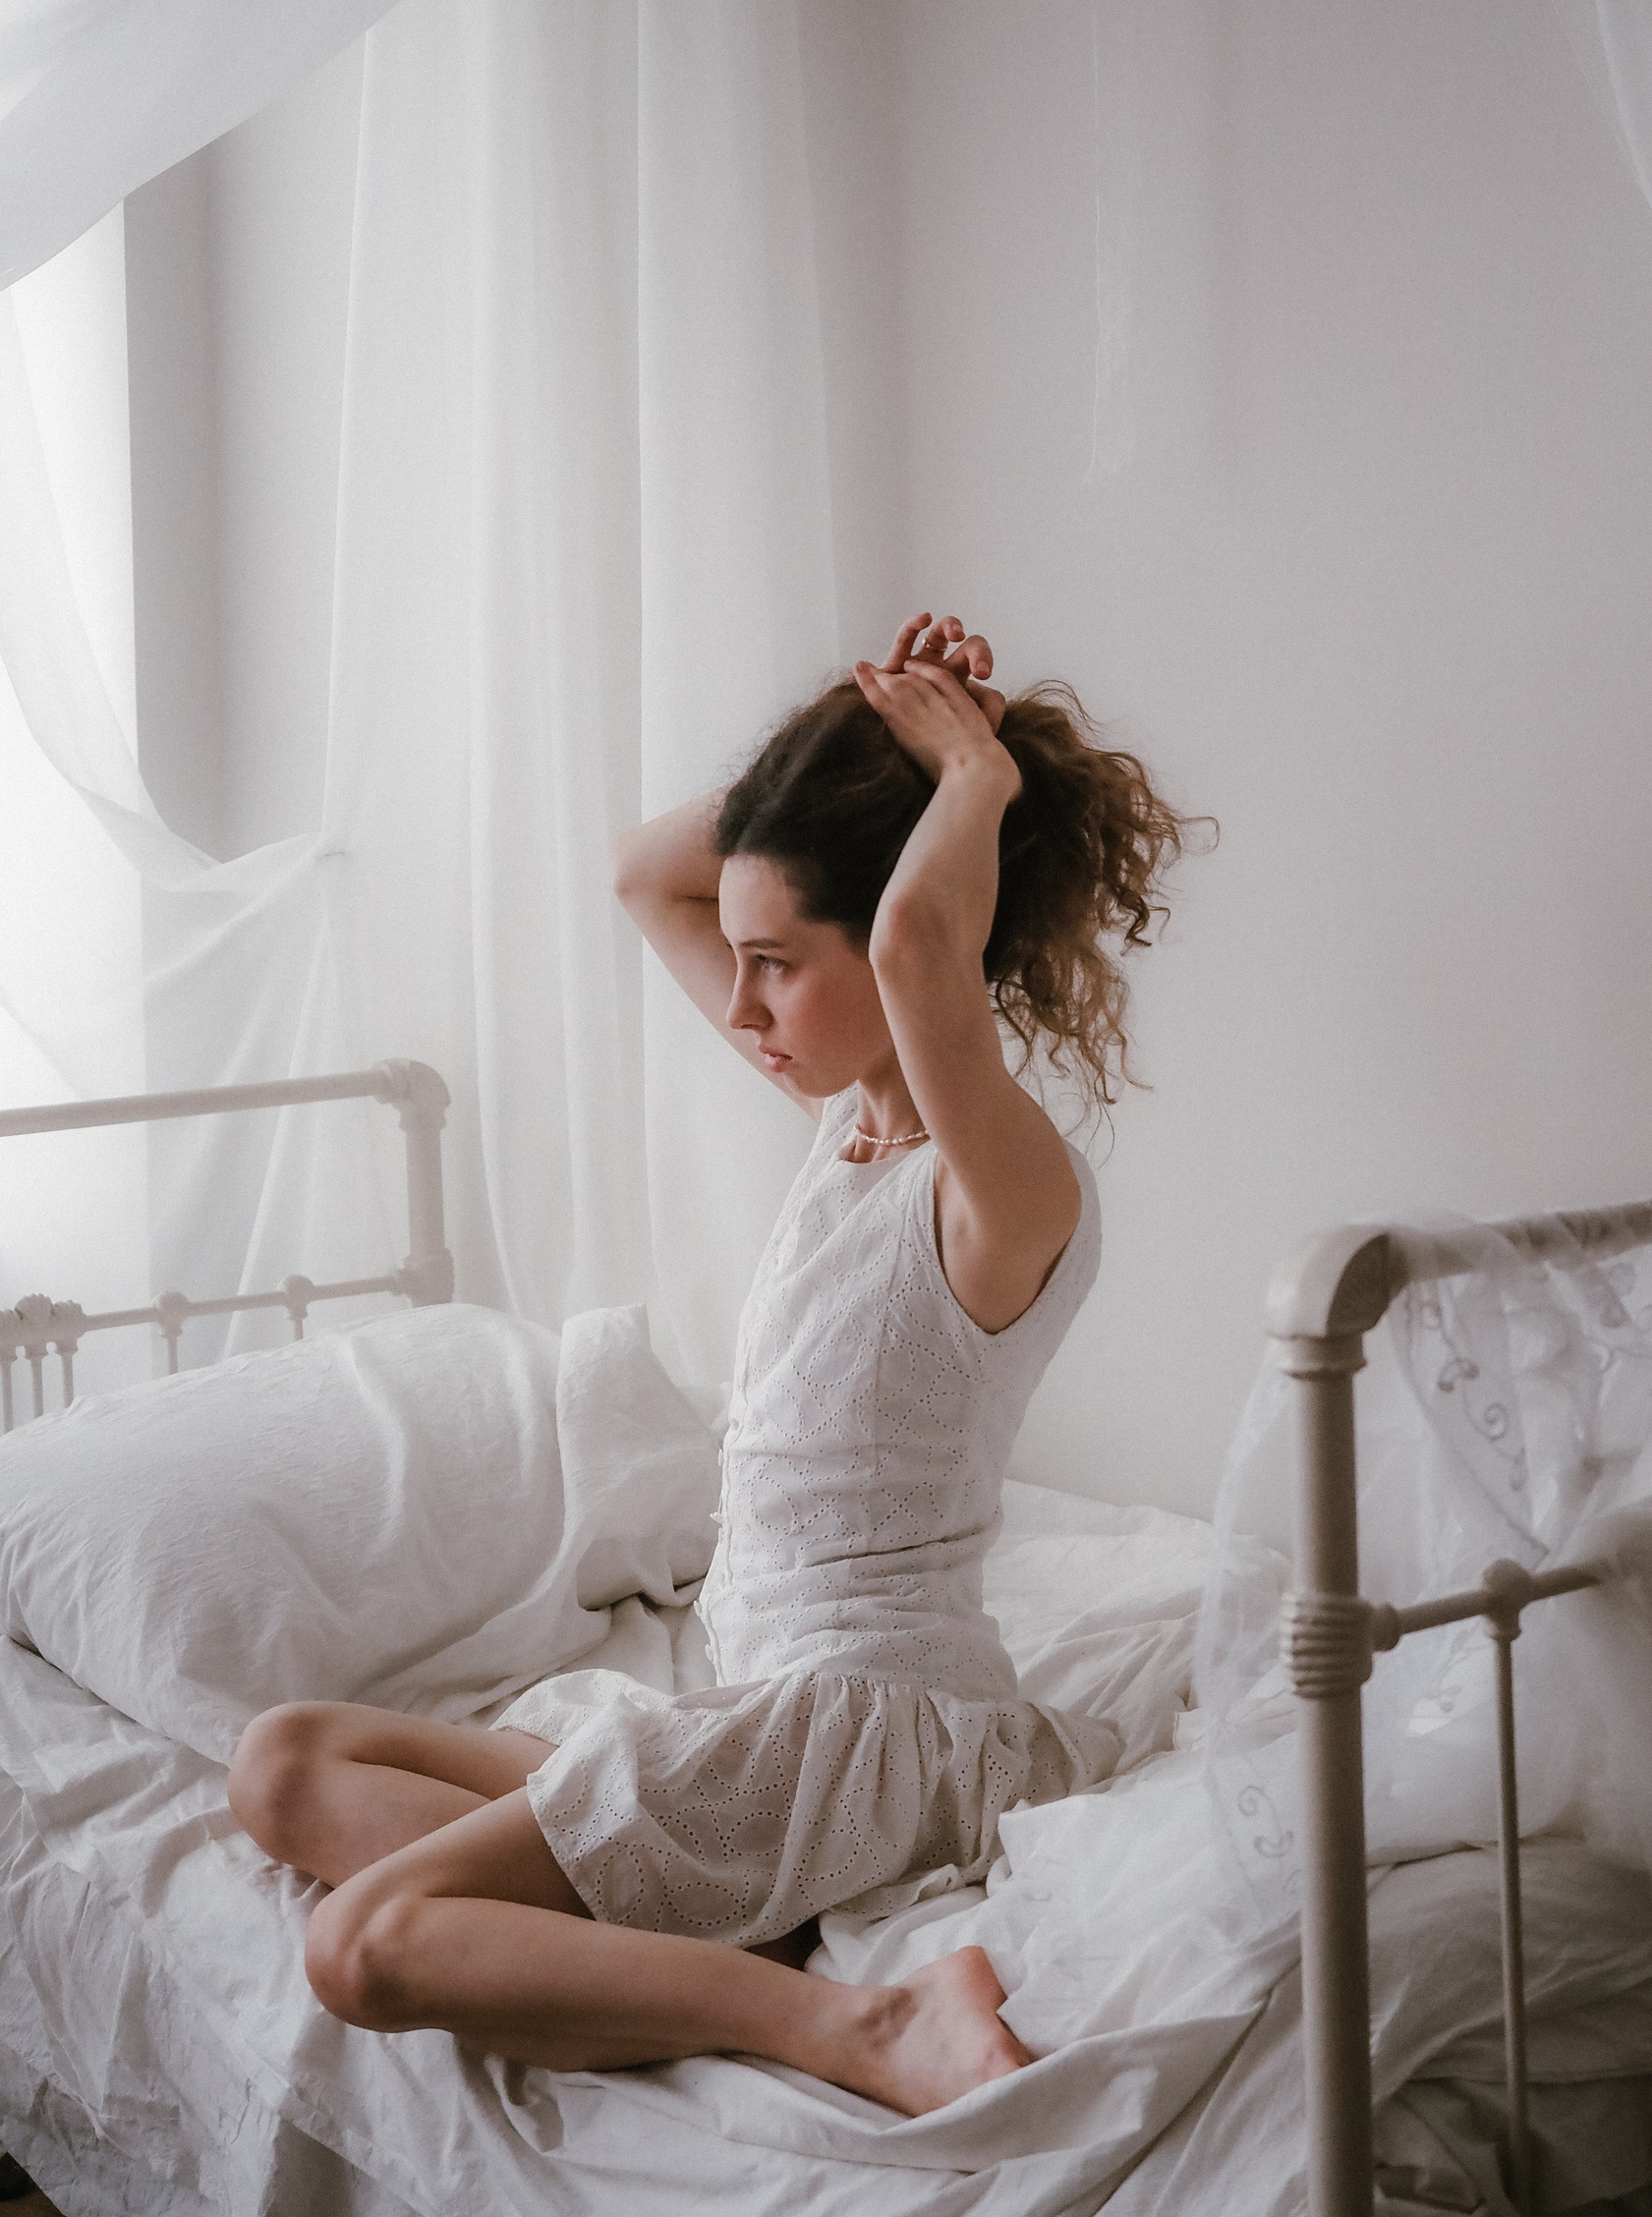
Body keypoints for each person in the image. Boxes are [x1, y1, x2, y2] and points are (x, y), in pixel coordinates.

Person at [228, 611, 1197, 2115]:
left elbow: (916, 941)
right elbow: (644, 869)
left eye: (774, 965)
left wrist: (974, 780)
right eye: (737, 963)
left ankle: (856, 2025)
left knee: (361, 1945)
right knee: (281, 1762)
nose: (739, 1009)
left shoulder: (998, 1191)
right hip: (752, 1700)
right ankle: (710, 1914)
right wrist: (860, 733)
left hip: (868, 1724)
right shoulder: (848, 1129)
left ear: (904, 946)